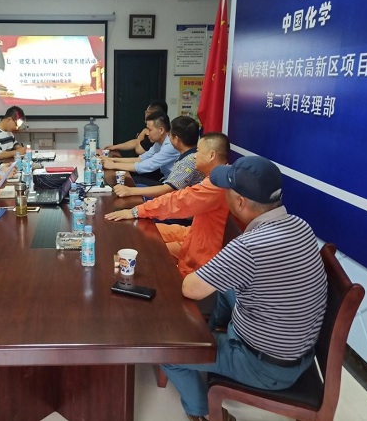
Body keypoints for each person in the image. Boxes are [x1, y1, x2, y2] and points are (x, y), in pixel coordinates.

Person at [161, 156, 328, 421]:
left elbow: (190, 289)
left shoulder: (250, 247)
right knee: (224, 288)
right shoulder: (301, 225)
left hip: (264, 366)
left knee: (168, 350)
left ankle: (203, 413)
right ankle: (213, 335)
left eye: (227, 189)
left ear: (240, 202)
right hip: (297, 351)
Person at [104, 132, 230, 277]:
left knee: (145, 252)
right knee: (137, 232)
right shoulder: (218, 177)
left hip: (200, 255)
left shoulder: (217, 184)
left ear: (211, 155)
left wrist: (135, 211)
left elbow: (177, 201)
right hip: (192, 237)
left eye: (198, 151)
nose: (195, 156)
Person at [113, 115, 204, 200]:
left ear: (176, 139)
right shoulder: (191, 155)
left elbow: (167, 189)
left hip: (177, 201)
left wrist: (130, 191)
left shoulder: (189, 161)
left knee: (134, 187)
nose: (168, 137)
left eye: (170, 135)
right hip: (171, 191)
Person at [102, 111, 179, 186]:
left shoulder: (170, 145)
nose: (147, 133)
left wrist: (113, 165)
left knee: (131, 180)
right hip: (165, 180)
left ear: (161, 130)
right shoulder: (158, 143)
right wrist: (112, 160)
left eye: (150, 130)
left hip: (171, 185)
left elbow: (146, 166)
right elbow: (140, 159)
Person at [104, 99, 168, 156]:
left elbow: (139, 150)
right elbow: (135, 143)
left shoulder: (155, 135)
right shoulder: (156, 143)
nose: (145, 113)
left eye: (146, 112)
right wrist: (115, 147)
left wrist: (142, 134)